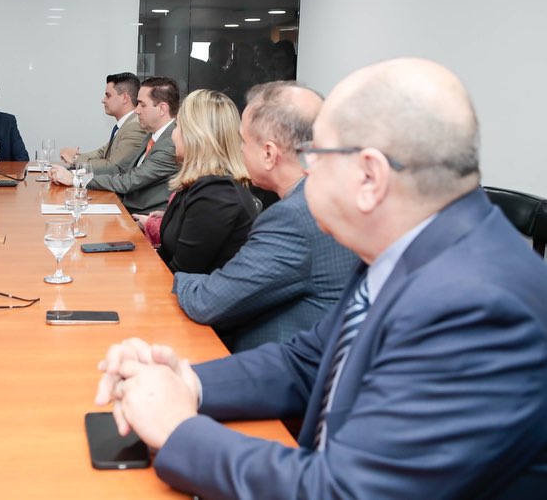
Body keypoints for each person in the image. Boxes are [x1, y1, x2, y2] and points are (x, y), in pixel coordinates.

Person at [95, 58, 547, 499]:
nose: (303, 173)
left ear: (369, 176)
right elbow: (308, 363)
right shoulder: (411, 251)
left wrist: (177, 430)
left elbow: (346, 491)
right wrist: (188, 381)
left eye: (316, 156)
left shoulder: (478, 306)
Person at [173, 81, 357, 352]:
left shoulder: (294, 216)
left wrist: (174, 278)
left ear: (269, 154)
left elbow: (208, 302)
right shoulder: (333, 197)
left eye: (243, 141)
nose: (239, 149)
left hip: (280, 367)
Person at [152, 89, 257, 274]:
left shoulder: (216, 193)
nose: (173, 135)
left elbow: (183, 273)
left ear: (196, 135)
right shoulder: (198, 184)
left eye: (178, 126)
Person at [49, 77, 180, 215]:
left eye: (142, 105)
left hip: (143, 217)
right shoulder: (152, 135)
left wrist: (76, 179)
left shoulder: (171, 142)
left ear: (162, 109)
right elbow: (125, 173)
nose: (136, 111)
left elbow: (129, 181)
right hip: (127, 206)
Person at [59, 72, 147, 171]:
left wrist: (75, 159)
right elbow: (101, 153)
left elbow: (113, 167)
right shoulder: (125, 125)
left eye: (108, 96)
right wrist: (75, 156)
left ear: (124, 98)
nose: (103, 100)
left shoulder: (135, 126)